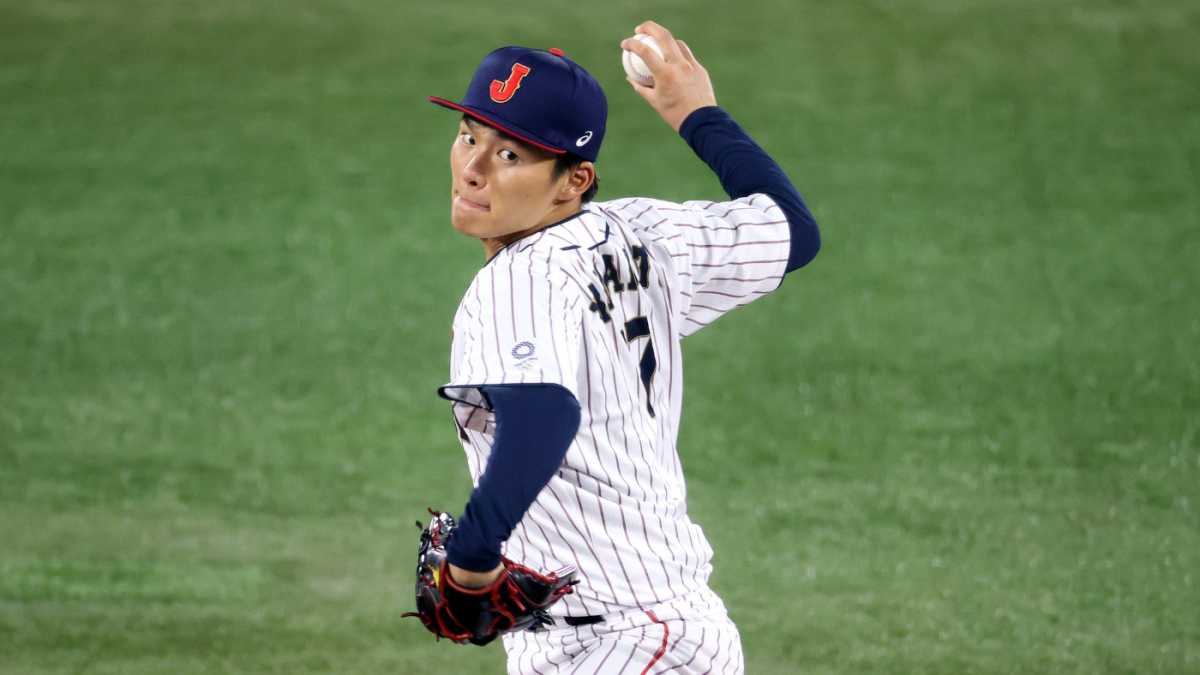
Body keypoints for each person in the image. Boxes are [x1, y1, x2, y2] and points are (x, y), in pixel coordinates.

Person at [426, 21, 819, 674]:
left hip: (620, 641)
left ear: (572, 179)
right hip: (666, 631)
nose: (472, 168)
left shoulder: (521, 277)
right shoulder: (645, 233)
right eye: (470, 135)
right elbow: (791, 231)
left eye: (511, 155)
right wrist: (697, 114)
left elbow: (543, 416)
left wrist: (471, 558)